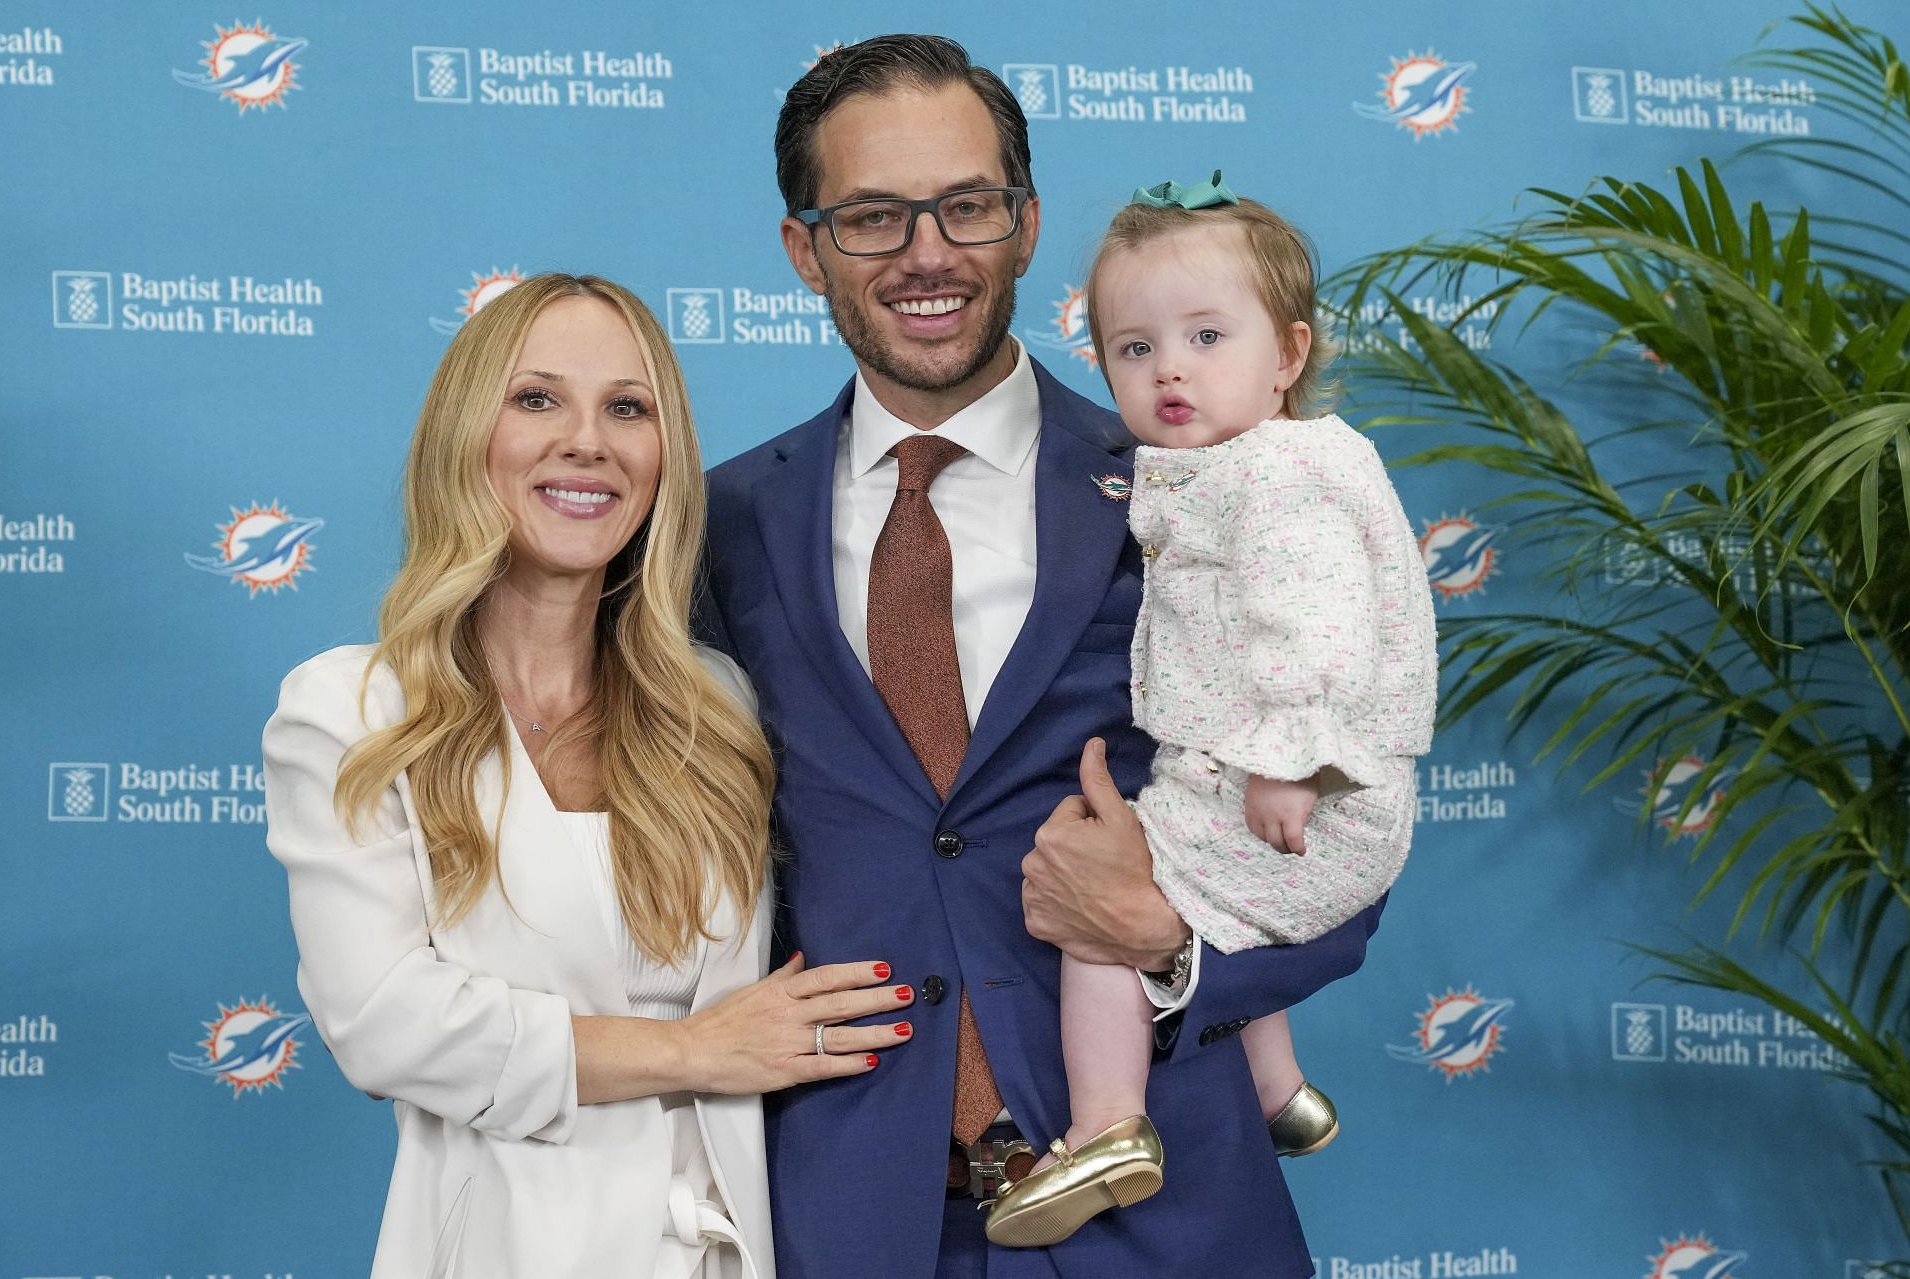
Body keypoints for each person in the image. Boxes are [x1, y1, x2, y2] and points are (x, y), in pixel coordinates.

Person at [700, 36, 1384, 1279]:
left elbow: (1343, 808)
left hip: (1162, 1205)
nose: (926, 253)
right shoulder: (720, 525)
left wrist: (1168, 940)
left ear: (1023, 222)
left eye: (965, 205)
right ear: (804, 249)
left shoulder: (1201, 485)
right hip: (849, 1216)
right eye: (871, 216)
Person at [262, 273, 911, 1279]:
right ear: (465, 435)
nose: (587, 441)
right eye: (537, 400)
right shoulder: (353, 710)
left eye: (627, 407)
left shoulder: (715, 704)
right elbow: (385, 1024)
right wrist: (692, 1051)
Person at [982, 176, 1438, 1248]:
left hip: (1303, 781)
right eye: (1133, 349)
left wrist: (1289, 759)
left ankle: (1107, 1126)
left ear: (1286, 356)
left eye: (1204, 336)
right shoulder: (1250, 464)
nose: (1169, 368)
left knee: (1116, 913)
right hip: (1282, 777)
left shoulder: (1275, 479)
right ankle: (1279, 1088)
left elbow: (1316, 623)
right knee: (1217, 899)